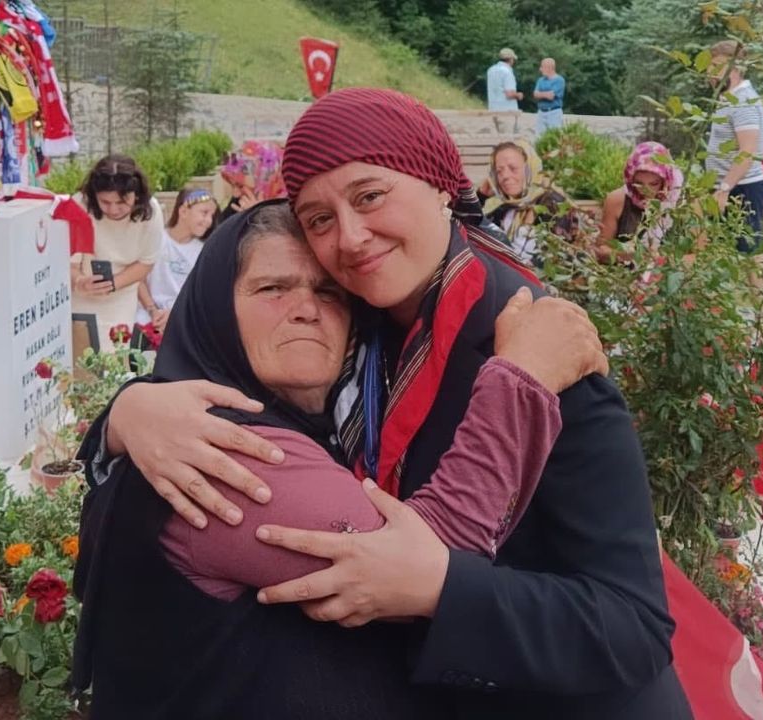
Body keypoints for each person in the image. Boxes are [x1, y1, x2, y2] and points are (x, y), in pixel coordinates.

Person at [83, 88, 691, 719]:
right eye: (319, 219)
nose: (350, 238)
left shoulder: (539, 351)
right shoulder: (363, 335)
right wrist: (126, 414)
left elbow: (632, 625)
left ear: (441, 186)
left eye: (370, 196)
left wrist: (444, 589)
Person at [74, 200, 602, 716]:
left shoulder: (314, 422)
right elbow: (429, 559)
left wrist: (121, 412)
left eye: (328, 291)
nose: (306, 308)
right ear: (214, 310)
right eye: (272, 288)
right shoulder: (227, 452)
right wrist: (524, 378)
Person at [70, 154, 161, 346]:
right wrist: (80, 281)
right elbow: (68, 262)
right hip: (79, 295)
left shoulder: (150, 212)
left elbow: (146, 263)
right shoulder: (78, 205)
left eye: (121, 202)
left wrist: (111, 285)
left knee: (116, 352)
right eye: (105, 202)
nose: (113, 210)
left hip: (122, 296)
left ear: (136, 195)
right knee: (82, 352)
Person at [706, 40, 763, 253]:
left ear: (736, 68)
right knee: (723, 252)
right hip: (727, 187)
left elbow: (747, 151)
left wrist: (725, 188)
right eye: (709, 66)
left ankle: (758, 279)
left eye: (716, 66)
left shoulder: (743, 102)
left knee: (746, 254)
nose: (709, 73)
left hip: (742, 189)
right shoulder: (729, 99)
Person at [136, 187, 216, 337]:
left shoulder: (204, 252)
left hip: (184, 321)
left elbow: (202, 295)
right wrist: (153, 310)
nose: (209, 221)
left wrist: (175, 315)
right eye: (204, 213)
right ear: (183, 211)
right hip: (148, 316)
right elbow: (138, 278)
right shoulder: (156, 239)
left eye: (212, 215)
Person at [482, 139, 575, 266]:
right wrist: (481, 196)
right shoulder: (505, 209)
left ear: (530, 168)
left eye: (513, 168)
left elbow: (554, 258)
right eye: (499, 171)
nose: (505, 176)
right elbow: (471, 230)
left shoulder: (553, 205)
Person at [599, 141, 685, 257]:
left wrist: (662, 260)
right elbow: (601, 249)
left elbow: (697, 255)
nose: (646, 190)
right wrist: (630, 256)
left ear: (665, 180)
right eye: (639, 183)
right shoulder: (617, 200)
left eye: (654, 184)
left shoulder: (681, 203)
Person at [219, 140, 286, 221]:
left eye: (240, 186)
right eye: (232, 186)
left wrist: (258, 214)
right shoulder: (239, 201)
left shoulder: (290, 208)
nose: (235, 194)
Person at [485, 48, 522, 133]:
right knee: (508, 138)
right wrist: (518, 95)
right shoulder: (507, 72)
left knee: (499, 138)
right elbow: (509, 94)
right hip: (507, 111)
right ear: (511, 59)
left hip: (493, 109)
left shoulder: (491, 70)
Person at [532, 57, 565, 136]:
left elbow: (551, 96)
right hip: (541, 112)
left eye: (542, 67)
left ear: (549, 68)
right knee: (539, 137)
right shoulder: (540, 80)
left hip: (554, 112)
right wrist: (545, 94)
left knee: (554, 136)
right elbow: (535, 94)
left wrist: (540, 94)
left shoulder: (559, 80)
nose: (540, 69)